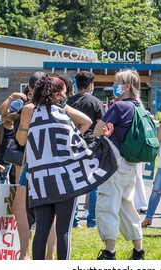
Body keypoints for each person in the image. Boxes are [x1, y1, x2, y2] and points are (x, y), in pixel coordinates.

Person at [24, 75, 109, 260]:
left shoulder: (33, 113)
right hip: (63, 180)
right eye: (63, 94)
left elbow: (26, 144)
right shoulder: (60, 114)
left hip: (39, 181)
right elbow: (76, 145)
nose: (65, 97)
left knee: (40, 232)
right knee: (63, 230)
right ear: (55, 95)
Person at [92, 69, 147, 260]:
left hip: (114, 164)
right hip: (131, 164)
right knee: (127, 206)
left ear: (127, 87)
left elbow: (97, 131)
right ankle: (138, 250)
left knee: (108, 204)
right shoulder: (140, 107)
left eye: (117, 83)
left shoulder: (119, 107)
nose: (114, 86)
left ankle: (109, 252)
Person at [0, 71, 45, 259]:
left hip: (32, 156)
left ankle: (26, 247)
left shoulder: (43, 106)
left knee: (27, 199)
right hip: (24, 157)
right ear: (30, 88)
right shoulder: (24, 105)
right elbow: (3, 114)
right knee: (23, 197)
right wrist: (12, 97)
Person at [67, 71, 106, 228]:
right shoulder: (96, 102)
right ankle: (92, 221)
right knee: (93, 184)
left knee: (72, 183)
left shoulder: (67, 103)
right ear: (90, 85)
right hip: (90, 145)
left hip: (71, 145)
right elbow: (101, 125)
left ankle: (74, 220)